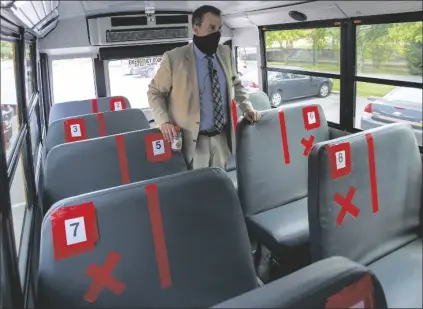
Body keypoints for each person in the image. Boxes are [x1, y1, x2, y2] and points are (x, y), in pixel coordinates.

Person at [147, 5, 261, 170]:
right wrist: (163, 121)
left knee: (218, 186)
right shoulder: (174, 59)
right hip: (192, 141)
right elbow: (155, 92)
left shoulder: (225, 53)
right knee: (196, 191)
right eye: (211, 28)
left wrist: (247, 108)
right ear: (196, 29)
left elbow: (235, 84)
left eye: (219, 28)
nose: (217, 33)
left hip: (221, 138)